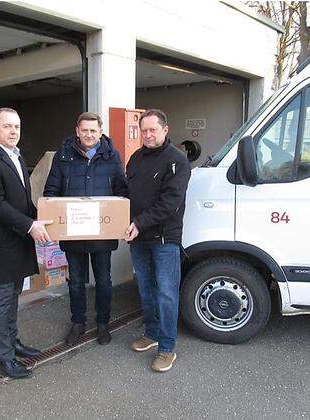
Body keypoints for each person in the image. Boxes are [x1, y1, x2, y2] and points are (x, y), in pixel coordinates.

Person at [0, 107, 52, 379]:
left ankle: (12, 342)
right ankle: (3, 358)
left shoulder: (17, 155)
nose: (13, 131)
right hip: (1, 245)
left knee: (14, 296)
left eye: (16, 126)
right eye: (7, 126)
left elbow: (22, 199)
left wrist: (42, 216)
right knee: (3, 299)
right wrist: (30, 225)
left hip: (18, 243)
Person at [43, 112, 128, 346]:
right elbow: (51, 191)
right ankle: (78, 323)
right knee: (77, 281)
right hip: (73, 233)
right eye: (84, 130)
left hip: (102, 234)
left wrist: (118, 219)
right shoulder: (63, 156)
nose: (89, 134)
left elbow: (122, 191)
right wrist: (54, 218)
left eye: (93, 130)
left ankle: (103, 323)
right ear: (77, 131)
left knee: (103, 280)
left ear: (100, 131)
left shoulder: (112, 157)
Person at [125, 109, 191, 372]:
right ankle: (151, 335)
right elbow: (126, 194)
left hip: (164, 239)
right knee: (145, 289)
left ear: (165, 130)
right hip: (139, 238)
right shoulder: (136, 158)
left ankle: (167, 348)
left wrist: (138, 223)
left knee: (166, 293)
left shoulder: (177, 161)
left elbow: (170, 204)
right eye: (144, 130)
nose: (148, 135)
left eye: (153, 130)